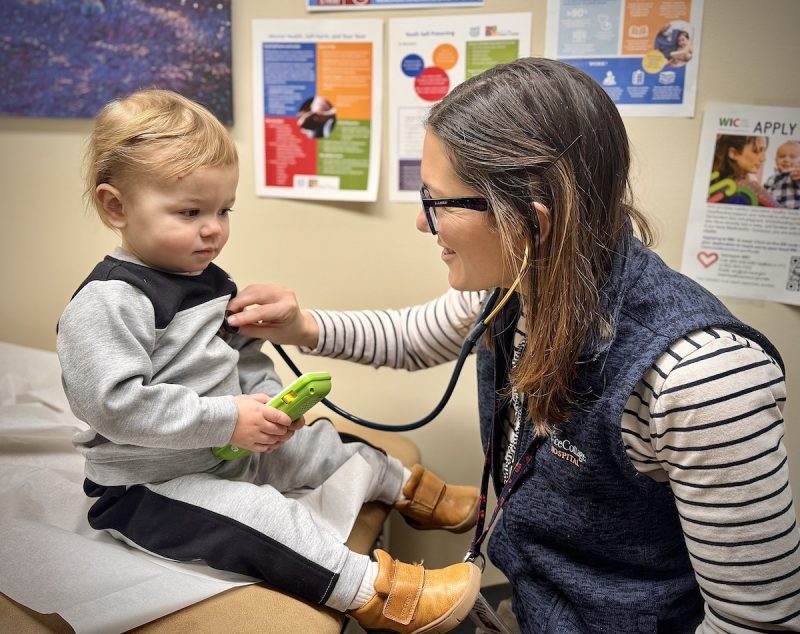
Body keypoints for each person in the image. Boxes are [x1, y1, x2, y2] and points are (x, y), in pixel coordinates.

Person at [226, 58, 800, 632]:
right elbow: (414, 337)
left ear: (531, 220)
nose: (423, 226)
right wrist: (299, 326)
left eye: (438, 201)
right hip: (533, 604)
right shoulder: (522, 284)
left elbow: (754, 622)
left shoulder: (703, 377)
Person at [56, 88, 483, 634]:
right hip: (150, 485)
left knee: (329, 444)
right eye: (190, 212)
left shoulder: (207, 281)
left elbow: (242, 353)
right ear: (116, 206)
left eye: (223, 210)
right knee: (267, 519)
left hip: (226, 448)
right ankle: (383, 595)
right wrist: (228, 418)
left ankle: (417, 492)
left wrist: (270, 405)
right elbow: (112, 405)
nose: (213, 228)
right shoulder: (107, 302)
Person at [710, 134, 781, 206]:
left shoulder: (718, 185)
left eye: (763, 151)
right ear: (733, 153)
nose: (763, 158)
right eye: (756, 151)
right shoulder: (744, 189)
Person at [764, 139, 800, 209]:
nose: (786, 160)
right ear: (776, 160)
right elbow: (763, 191)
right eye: (782, 156)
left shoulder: (795, 174)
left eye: (792, 157)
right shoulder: (772, 178)